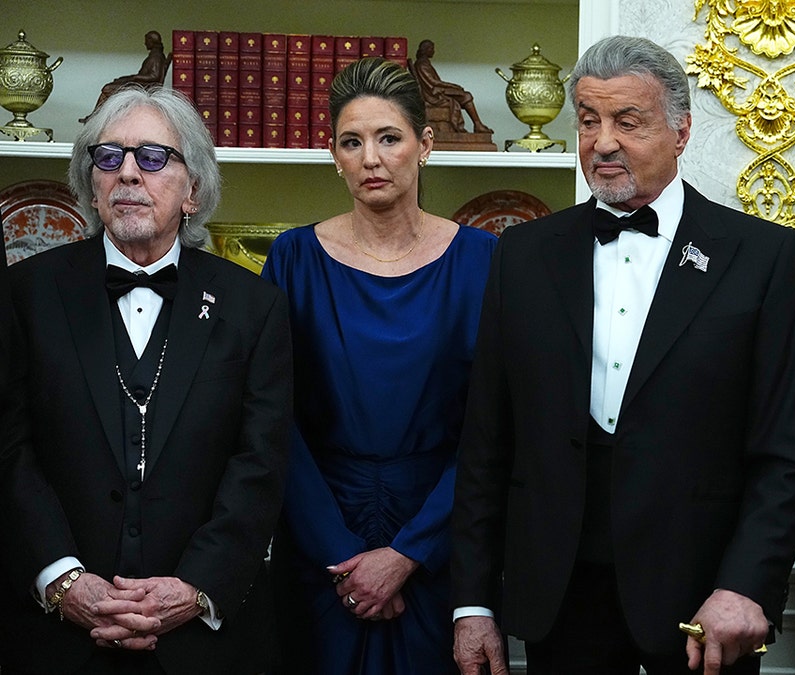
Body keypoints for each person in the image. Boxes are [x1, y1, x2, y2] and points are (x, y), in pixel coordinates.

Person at [450, 35, 795, 675]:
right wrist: (472, 603)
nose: (603, 142)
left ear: (681, 132)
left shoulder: (763, 256)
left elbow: (787, 449)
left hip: (705, 601)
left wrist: (746, 584)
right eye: (589, 121)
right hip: (557, 597)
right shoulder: (523, 255)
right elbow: (487, 440)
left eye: (628, 121)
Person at [0, 86, 292, 674]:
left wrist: (194, 587)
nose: (128, 173)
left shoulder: (254, 306)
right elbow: (8, 447)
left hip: (204, 643)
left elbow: (260, 463)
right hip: (52, 637)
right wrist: (63, 580)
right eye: (108, 157)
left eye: (153, 157)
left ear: (193, 190)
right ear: (91, 184)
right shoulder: (25, 292)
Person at [261, 57, 496, 675]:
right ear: (333, 155)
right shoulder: (293, 257)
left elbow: (496, 426)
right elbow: (269, 419)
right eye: (351, 141)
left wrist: (410, 551)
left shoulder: (485, 260)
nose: (371, 158)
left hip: (441, 545)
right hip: (320, 543)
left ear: (426, 145)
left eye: (389, 138)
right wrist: (340, 554)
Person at [81, 31, 171, 123]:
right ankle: (96, 116)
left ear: (151, 41)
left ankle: (96, 116)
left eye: (146, 40)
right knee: (115, 82)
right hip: (140, 84)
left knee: (107, 88)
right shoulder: (154, 55)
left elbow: (154, 76)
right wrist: (127, 78)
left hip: (142, 88)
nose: (145, 43)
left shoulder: (156, 57)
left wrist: (135, 78)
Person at [412, 39, 493, 134]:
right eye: (431, 48)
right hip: (433, 95)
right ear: (425, 49)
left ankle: (478, 124)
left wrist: (453, 87)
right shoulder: (422, 64)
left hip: (436, 90)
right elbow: (433, 82)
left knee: (464, 95)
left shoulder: (425, 63)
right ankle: (477, 124)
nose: (433, 51)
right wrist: (452, 86)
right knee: (466, 96)